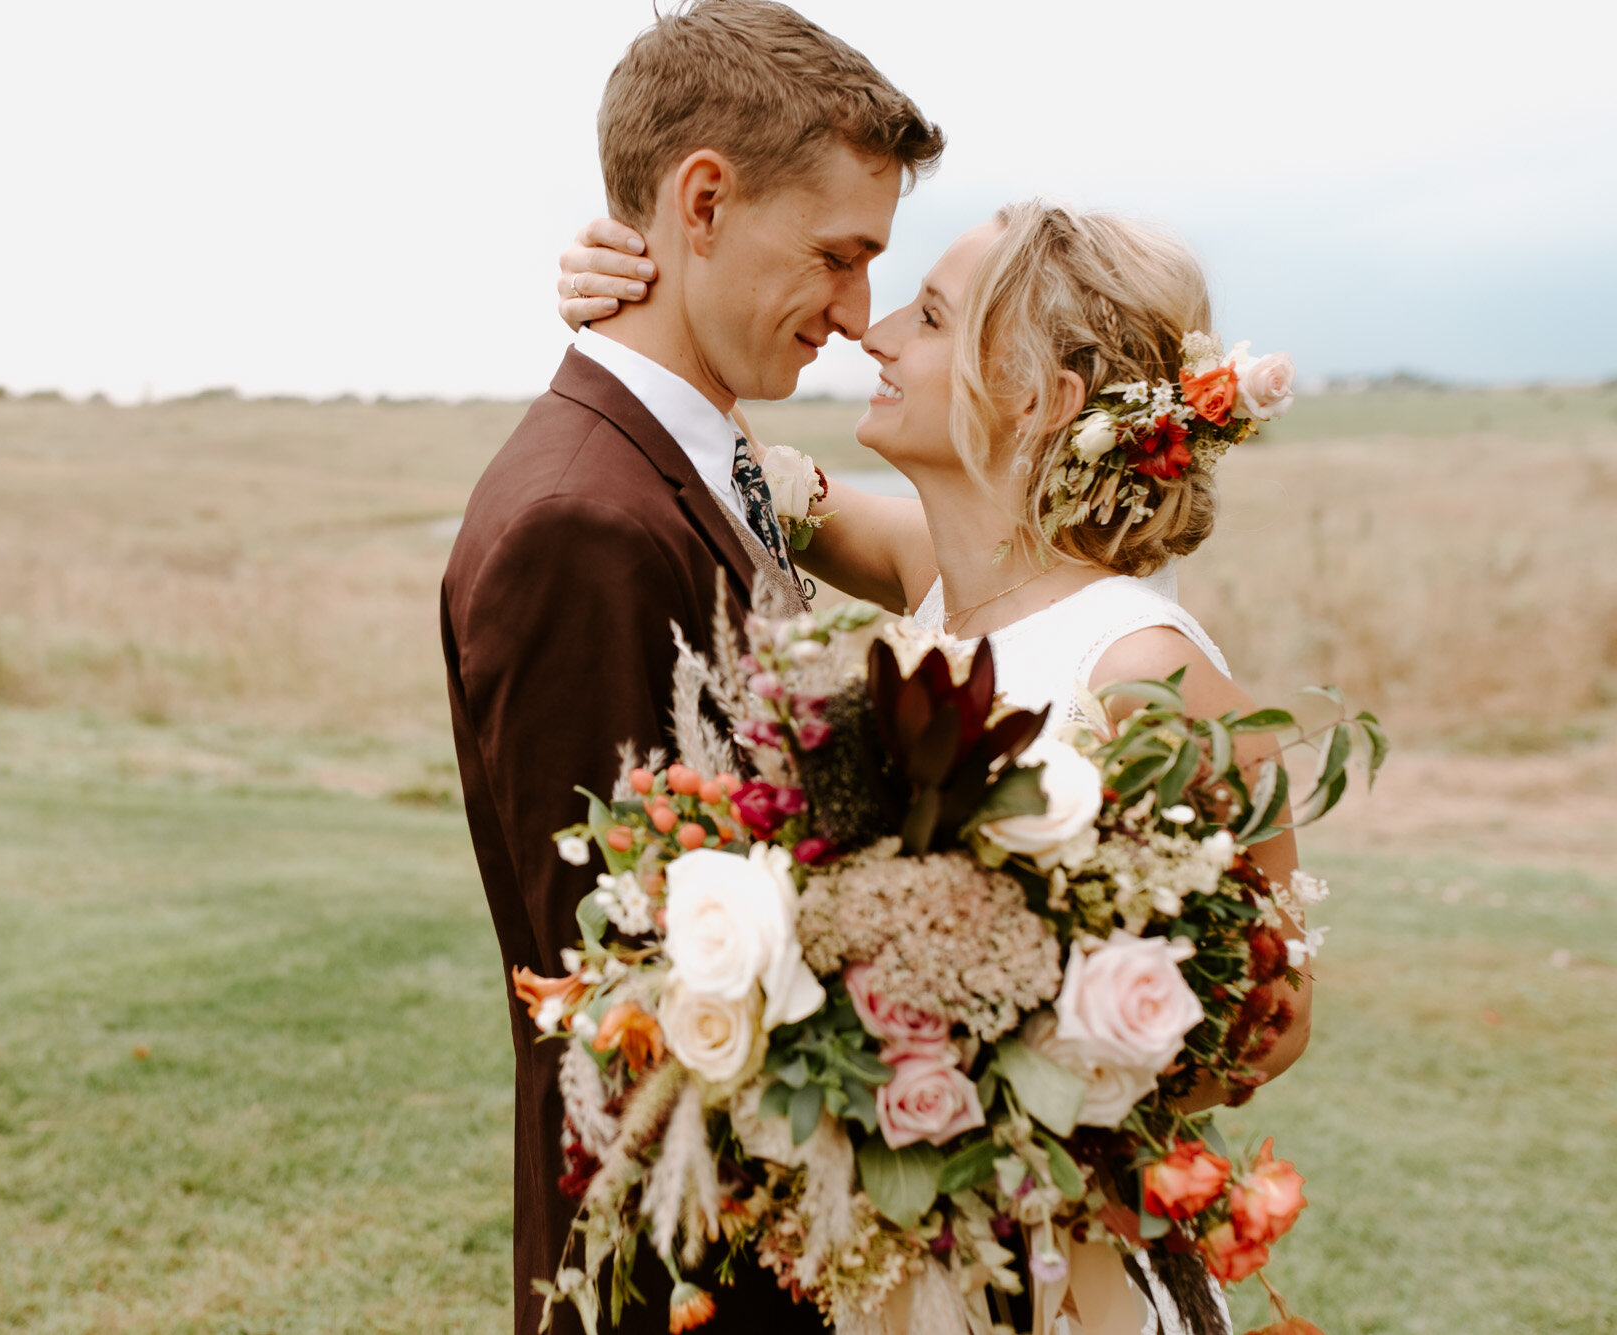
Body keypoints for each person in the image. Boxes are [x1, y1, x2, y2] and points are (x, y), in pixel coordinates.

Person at [558, 200, 1313, 1335]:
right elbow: (714, 460)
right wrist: (634, 299)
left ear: (1038, 396)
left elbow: (1275, 1016)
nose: (876, 330)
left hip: (1051, 1270)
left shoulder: (1143, 672)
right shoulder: (933, 572)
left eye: (931, 315)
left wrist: (987, 1098)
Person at [439, 4, 942, 1333]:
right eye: (837, 255)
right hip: (683, 1270)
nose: (856, 312)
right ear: (702, 202)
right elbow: (633, 994)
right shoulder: (581, 524)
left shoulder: (701, 467)